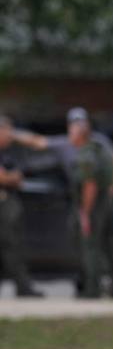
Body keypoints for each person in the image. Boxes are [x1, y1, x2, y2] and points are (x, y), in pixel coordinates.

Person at [63, 109, 113, 299]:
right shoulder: (100, 149)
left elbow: (89, 185)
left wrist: (86, 213)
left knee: (91, 248)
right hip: (106, 202)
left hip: (94, 205)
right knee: (108, 245)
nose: (69, 137)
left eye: (71, 133)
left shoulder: (86, 155)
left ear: (80, 135)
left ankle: (92, 289)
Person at [0, 117, 42, 298]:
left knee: (12, 245)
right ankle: (23, 286)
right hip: (4, 203)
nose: (11, 136)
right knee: (10, 245)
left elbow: (17, 178)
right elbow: (5, 179)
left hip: (8, 200)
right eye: (7, 132)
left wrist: (13, 177)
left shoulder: (6, 154)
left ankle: (23, 286)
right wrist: (11, 178)